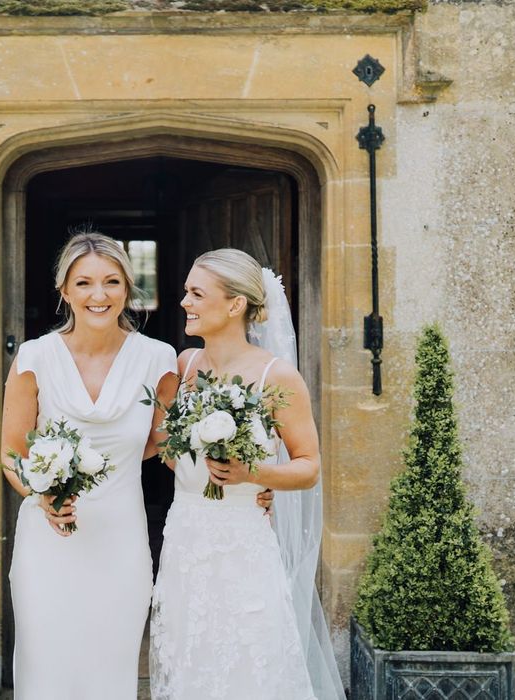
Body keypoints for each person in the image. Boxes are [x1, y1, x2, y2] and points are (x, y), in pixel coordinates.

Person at [148, 248, 345, 700]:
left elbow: (309, 467)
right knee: (188, 655)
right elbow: (169, 448)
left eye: (197, 293)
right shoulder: (185, 365)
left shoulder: (276, 376)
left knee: (246, 662)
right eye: (185, 292)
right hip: (185, 537)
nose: (184, 302)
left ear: (235, 304)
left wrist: (252, 475)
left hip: (242, 544)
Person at [1, 232, 179, 700]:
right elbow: (13, 453)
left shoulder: (159, 359)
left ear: (127, 288)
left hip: (121, 539)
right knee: (46, 667)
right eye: (84, 283)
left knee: (109, 668)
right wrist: (44, 496)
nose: (98, 296)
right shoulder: (36, 357)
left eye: (112, 282)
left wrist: (252, 484)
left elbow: (162, 442)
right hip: (48, 540)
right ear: (64, 291)